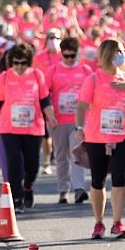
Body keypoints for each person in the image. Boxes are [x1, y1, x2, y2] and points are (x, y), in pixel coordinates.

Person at [76, 39, 125, 239]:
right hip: (96, 137)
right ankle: (98, 222)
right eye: (118, 52)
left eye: (123, 51)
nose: (122, 55)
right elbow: (82, 106)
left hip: (121, 136)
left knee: (119, 178)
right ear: (107, 54)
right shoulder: (94, 79)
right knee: (98, 180)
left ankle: (117, 222)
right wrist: (79, 127)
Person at [0, 44, 57, 213]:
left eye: (23, 63)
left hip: (33, 128)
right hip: (9, 128)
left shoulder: (37, 75)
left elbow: (45, 100)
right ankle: (16, 199)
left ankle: (28, 186)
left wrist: (51, 116)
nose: (19, 66)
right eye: (16, 63)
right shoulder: (5, 77)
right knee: (14, 163)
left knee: (32, 165)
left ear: (29, 62)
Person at [45, 37, 93, 204]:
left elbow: (93, 93)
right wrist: (49, 114)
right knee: (61, 156)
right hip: (58, 120)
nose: (70, 59)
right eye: (66, 56)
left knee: (77, 153)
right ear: (61, 54)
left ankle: (79, 189)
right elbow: (45, 95)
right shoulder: (53, 70)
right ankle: (63, 190)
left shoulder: (85, 70)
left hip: (79, 120)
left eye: (73, 56)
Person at [34, 29, 63, 176]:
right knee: (45, 132)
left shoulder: (65, 56)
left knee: (59, 131)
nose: (53, 40)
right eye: (50, 37)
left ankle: (60, 158)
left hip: (62, 99)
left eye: (56, 37)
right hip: (44, 97)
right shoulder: (39, 57)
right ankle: (46, 162)